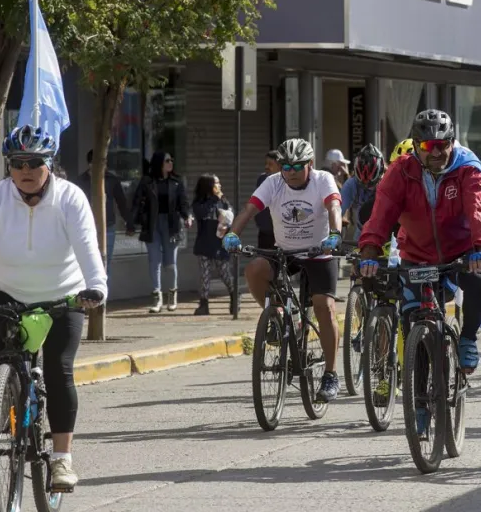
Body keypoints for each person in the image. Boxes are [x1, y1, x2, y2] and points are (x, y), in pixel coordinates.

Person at [0, 126, 107, 490]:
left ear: (49, 163)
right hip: (7, 293)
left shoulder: (71, 199)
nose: (26, 169)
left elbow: (87, 246)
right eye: (18, 163)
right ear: (9, 166)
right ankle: (10, 398)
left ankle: (62, 460)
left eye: (35, 162)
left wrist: (96, 287)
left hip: (63, 297)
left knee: (58, 369)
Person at [357, 110, 481, 436]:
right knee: (416, 333)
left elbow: (478, 208)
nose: (437, 151)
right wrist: (369, 252)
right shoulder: (400, 172)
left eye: (443, 144)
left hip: (462, 253)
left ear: (452, 142)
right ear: (416, 146)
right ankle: (420, 404)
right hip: (417, 256)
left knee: (479, 282)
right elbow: (381, 215)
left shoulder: (467, 168)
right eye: (428, 144)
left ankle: (466, 338)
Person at [222, 138, 343, 401]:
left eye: (296, 167)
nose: (289, 172)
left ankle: (331, 375)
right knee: (254, 269)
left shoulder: (323, 179)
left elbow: (334, 205)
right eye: (285, 166)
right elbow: (249, 210)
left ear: (309, 164)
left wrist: (334, 235)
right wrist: (233, 234)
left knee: (323, 305)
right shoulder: (274, 182)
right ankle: (277, 313)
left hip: (319, 253)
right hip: (285, 252)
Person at [127, 151, 192, 313]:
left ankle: (172, 294)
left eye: (171, 160)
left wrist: (188, 216)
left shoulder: (177, 182)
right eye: (167, 160)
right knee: (154, 261)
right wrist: (131, 223)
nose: (171, 163)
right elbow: (136, 203)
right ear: (159, 163)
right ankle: (157, 298)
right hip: (152, 224)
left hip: (171, 225)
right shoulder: (147, 182)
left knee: (170, 263)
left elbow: (183, 202)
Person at [76, 149, 128, 271]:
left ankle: (104, 290)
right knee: (88, 262)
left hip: (108, 226)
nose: (103, 166)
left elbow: (121, 202)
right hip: (86, 226)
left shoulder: (112, 180)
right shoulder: (81, 181)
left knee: (105, 264)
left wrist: (129, 221)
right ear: (90, 164)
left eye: (104, 162)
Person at [191, 174, 235, 316]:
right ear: (209, 186)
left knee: (224, 273)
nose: (219, 186)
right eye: (216, 183)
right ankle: (203, 304)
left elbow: (230, 215)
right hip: (204, 243)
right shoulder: (199, 202)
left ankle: (235, 297)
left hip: (219, 243)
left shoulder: (223, 200)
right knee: (205, 274)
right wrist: (215, 199)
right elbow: (203, 212)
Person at [340, 144, 386, 240]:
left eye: (371, 185)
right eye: (362, 185)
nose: (366, 188)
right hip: (362, 228)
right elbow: (337, 211)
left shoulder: (389, 183)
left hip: (386, 228)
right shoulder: (351, 184)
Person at [255, 152, 279, 249]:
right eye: (266, 163)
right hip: (265, 232)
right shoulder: (262, 179)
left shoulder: (288, 181)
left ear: (280, 165)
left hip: (281, 234)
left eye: (270, 164)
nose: (266, 167)